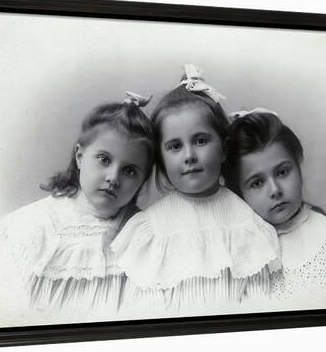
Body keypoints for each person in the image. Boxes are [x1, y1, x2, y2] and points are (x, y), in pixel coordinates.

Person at [111, 66, 281, 319]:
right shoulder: (149, 230)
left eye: (200, 140)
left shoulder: (248, 223)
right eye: (175, 146)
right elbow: (137, 310)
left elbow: (264, 301)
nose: (189, 156)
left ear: (223, 149)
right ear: (161, 158)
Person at [0, 92, 155, 327]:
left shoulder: (143, 236)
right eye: (104, 160)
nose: (113, 178)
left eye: (130, 171)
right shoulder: (31, 227)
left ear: (142, 180)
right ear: (80, 157)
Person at [225, 110, 326, 311]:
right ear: (239, 192)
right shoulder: (239, 256)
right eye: (257, 183)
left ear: (298, 167)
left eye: (282, 172)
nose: (275, 190)